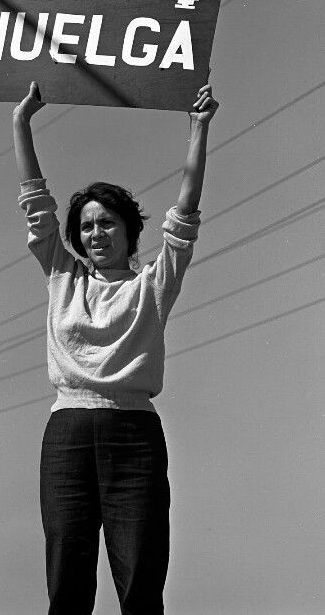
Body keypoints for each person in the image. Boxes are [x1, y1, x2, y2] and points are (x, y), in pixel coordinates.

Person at [13, 81, 219, 615]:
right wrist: (22, 123)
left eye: (107, 222)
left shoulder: (153, 284)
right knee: (67, 583)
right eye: (85, 227)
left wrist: (198, 127)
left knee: (142, 580)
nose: (96, 232)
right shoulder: (62, 276)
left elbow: (186, 210)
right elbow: (36, 203)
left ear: (129, 231)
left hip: (134, 435)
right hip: (68, 435)